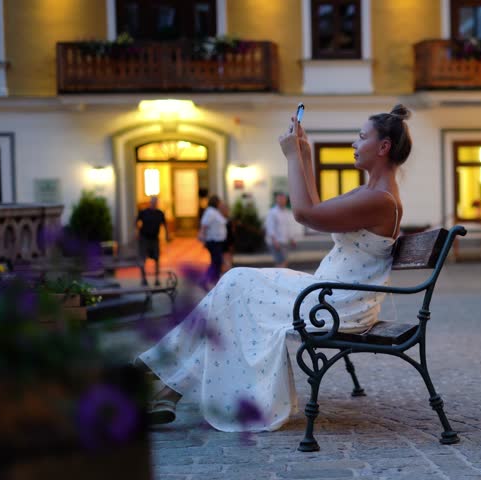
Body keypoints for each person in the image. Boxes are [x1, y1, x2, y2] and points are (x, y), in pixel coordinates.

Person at [135, 104, 411, 430]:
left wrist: (292, 157)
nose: (355, 143)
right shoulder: (369, 193)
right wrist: (304, 155)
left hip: (338, 302)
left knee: (236, 284)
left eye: (362, 137)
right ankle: (167, 389)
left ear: (383, 147)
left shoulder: (380, 200)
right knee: (234, 293)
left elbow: (305, 214)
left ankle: (156, 368)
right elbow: (316, 206)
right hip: (327, 293)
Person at [136, 196, 169, 286]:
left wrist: (167, 235)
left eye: (155, 202)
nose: (154, 204)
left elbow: (165, 225)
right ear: (150, 203)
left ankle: (157, 279)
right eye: (152, 202)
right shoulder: (144, 212)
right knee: (143, 258)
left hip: (154, 239)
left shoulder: (160, 213)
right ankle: (143, 279)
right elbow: (137, 222)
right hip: (144, 239)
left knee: (156, 259)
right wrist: (137, 232)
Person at [199, 195, 229, 289]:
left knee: (216, 262)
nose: (220, 203)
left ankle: (212, 280)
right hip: (213, 241)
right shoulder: (210, 212)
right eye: (219, 202)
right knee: (216, 261)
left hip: (218, 241)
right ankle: (208, 280)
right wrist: (202, 236)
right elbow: (204, 225)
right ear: (216, 202)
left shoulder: (215, 212)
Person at [265, 192, 297, 267]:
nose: (282, 201)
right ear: (277, 200)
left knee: (285, 262)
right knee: (280, 262)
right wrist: (275, 241)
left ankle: (280, 274)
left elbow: (287, 227)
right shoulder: (273, 212)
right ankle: (277, 274)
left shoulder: (287, 212)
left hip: (285, 241)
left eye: (284, 199)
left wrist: (292, 239)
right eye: (280, 199)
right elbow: (270, 227)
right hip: (277, 242)